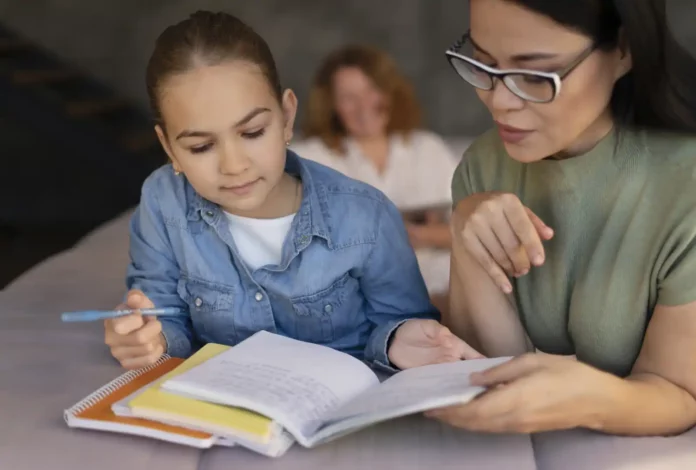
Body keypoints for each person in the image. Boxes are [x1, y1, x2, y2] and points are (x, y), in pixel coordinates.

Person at [102, 11, 479, 372]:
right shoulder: (162, 199)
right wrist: (149, 339)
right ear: (169, 148)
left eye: (252, 133)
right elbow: (163, 312)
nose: (234, 165)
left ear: (286, 118)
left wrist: (403, 337)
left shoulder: (367, 215)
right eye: (201, 147)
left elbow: (398, 321)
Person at [427, 0, 696, 436]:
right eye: (482, 63)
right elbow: (491, 374)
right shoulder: (483, 165)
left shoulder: (685, 186)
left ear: (623, 49)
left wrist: (591, 400)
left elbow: (681, 395)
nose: (499, 102)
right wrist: (463, 227)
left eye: (535, 75)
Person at [291, 44, 458, 307]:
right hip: (357, 291)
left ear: (391, 93)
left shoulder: (427, 148)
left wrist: (419, 236)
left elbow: (469, 231)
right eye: (348, 97)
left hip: (444, 285)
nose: (363, 106)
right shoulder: (311, 157)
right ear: (332, 105)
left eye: (372, 90)